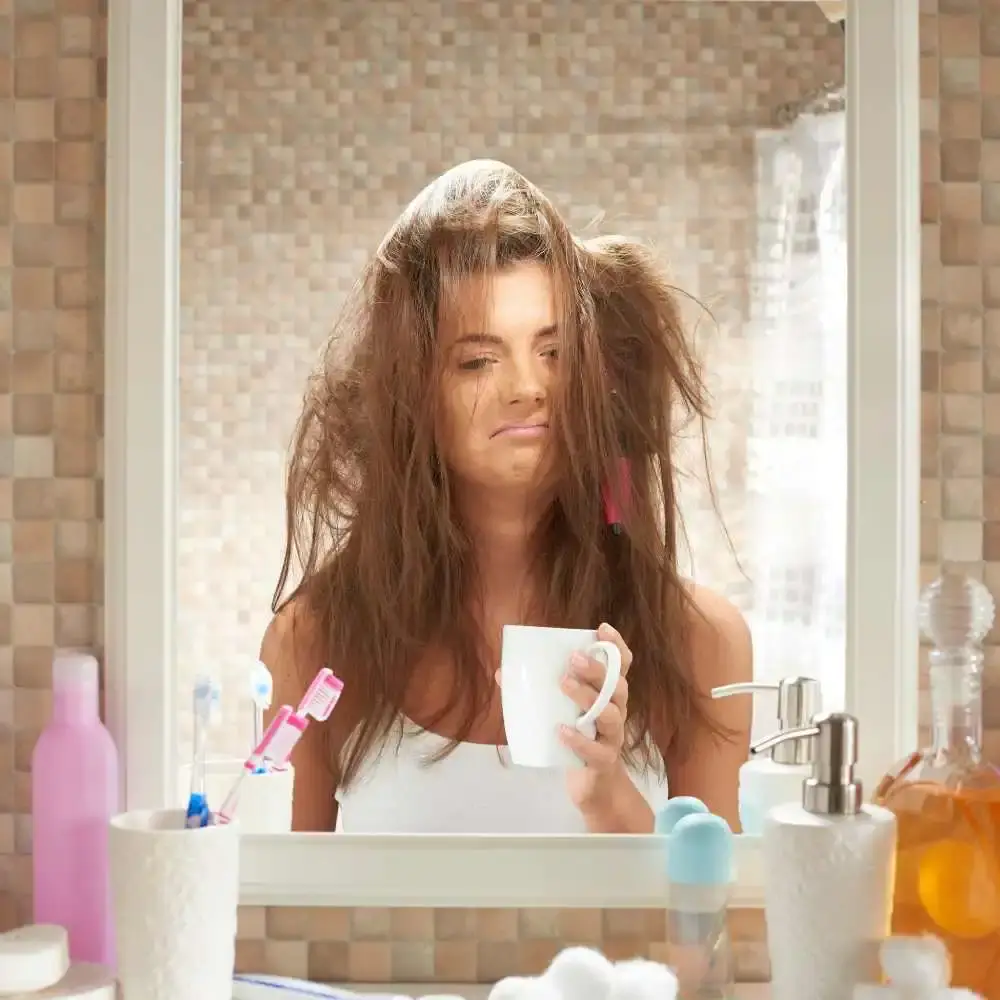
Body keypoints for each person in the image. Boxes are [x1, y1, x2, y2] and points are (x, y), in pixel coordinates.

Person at [261, 159, 752, 834]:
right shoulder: (314, 641)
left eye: (553, 351)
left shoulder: (700, 641)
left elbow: (708, 936)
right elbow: (281, 921)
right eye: (478, 360)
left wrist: (608, 797)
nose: (528, 387)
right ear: (411, 394)